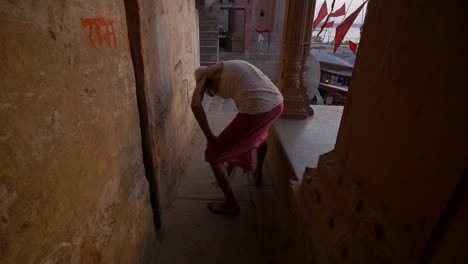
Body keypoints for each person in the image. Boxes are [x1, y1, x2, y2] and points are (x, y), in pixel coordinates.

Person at [191, 60, 284, 215]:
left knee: (213, 155)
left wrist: (210, 137)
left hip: (259, 108)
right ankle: (258, 174)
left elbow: (195, 105)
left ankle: (231, 205)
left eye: (210, 92)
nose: (214, 95)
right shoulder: (230, 67)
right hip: (276, 104)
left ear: (207, 82)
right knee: (259, 135)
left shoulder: (206, 75)